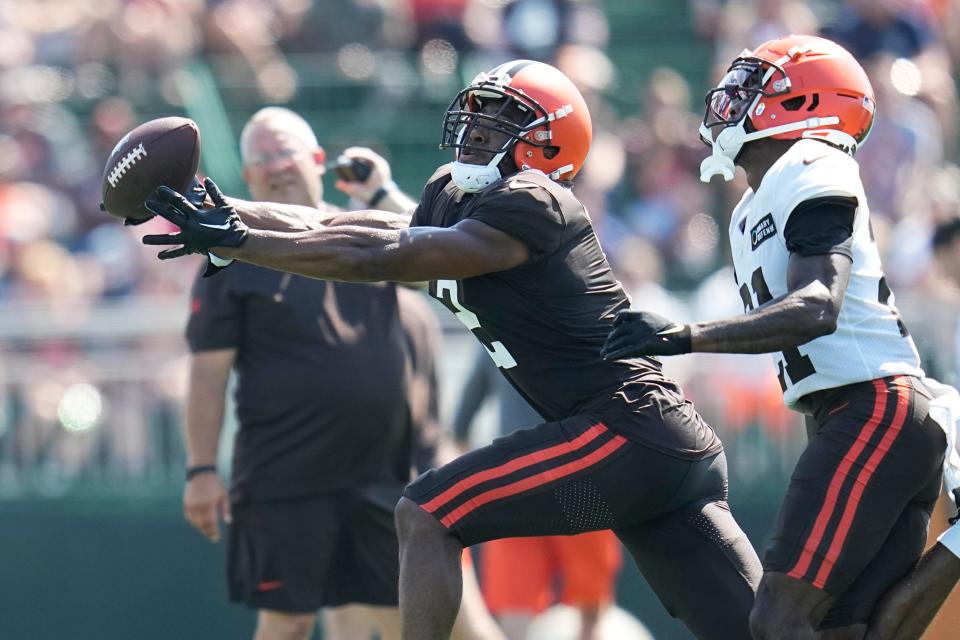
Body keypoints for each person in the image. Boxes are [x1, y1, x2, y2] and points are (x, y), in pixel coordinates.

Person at [138, 60, 763, 640]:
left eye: (499, 122)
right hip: (645, 444)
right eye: (476, 114)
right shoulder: (458, 197)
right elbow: (345, 227)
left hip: (628, 430)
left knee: (428, 511)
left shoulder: (537, 202)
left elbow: (382, 256)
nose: (474, 131)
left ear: (548, 144)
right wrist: (218, 212)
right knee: (763, 628)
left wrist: (241, 238)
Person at [602, 34, 950, 640]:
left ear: (806, 105)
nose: (731, 100)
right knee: (851, 630)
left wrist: (684, 335)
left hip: (872, 408)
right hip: (860, 411)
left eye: (754, 88)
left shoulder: (813, 162)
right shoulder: (748, 207)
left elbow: (817, 306)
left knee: (777, 617)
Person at [177, 105, 489, 640]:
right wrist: (200, 469)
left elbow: (442, 253)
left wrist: (381, 194)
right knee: (289, 625)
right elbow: (207, 372)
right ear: (247, 176)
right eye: (262, 158)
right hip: (287, 477)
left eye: (285, 151)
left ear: (318, 160)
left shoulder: (358, 230)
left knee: (419, 623)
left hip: (385, 478)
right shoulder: (228, 254)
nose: (276, 166)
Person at [451, 346, 623, 640]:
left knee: (516, 617)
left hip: (515, 483)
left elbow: (460, 428)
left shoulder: (493, 327)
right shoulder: (580, 323)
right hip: (580, 479)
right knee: (589, 612)